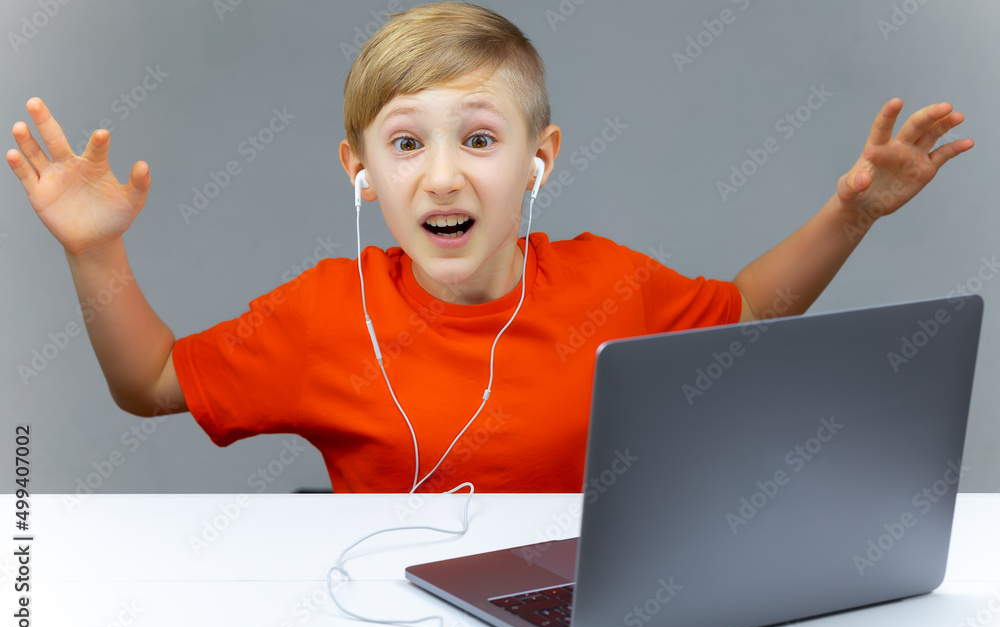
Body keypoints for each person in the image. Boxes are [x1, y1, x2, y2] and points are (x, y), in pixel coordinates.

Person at [7, 2, 973, 493]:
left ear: (536, 159)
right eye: (405, 144)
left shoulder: (609, 285)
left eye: (478, 138)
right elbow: (153, 382)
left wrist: (854, 211)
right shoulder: (322, 315)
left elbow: (750, 310)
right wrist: (96, 254)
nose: (442, 178)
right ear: (361, 170)